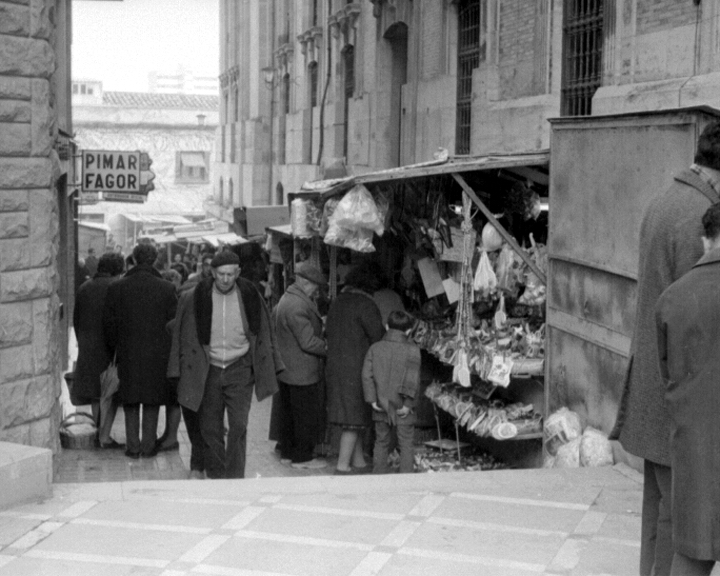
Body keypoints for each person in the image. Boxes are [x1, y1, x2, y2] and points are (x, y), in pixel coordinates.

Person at [610, 121, 720, 576]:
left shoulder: (663, 200)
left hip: (653, 391)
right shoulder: (702, 213)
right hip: (683, 400)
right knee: (683, 531)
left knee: (657, 518)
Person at [167, 250, 283, 479]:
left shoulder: (250, 294)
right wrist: (176, 369)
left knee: (239, 425)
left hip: (239, 367)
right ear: (212, 272)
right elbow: (180, 334)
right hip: (208, 368)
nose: (226, 279)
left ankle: (235, 477)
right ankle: (218, 476)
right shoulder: (194, 296)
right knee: (210, 428)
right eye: (221, 274)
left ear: (238, 272)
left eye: (230, 274)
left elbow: (265, 332)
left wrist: (268, 364)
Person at [655, 203, 720, 576]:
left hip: (693, 444)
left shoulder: (670, 300)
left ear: (704, 240)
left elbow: (666, 375)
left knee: (692, 552)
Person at [103, 243, 178, 459]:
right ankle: (148, 446)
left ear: (134, 259)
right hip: (157, 354)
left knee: (131, 400)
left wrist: (114, 349)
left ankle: (133, 446)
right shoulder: (167, 288)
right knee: (152, 400)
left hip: (127, 352)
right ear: (155, 260)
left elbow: (108, 325)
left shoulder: (117, 288)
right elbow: (173, 325)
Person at [325, 262, 385, 475]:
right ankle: (342, 467)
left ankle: (358, 461)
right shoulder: (366, 305)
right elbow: (377, 336)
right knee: (353, 418)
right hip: (357, 366)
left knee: (354, 416)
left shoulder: (338, 301)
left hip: (335, 365)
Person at [274, 262, 328, 470]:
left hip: (288, 369)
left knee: (290, 415)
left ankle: (288, 453)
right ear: (306, 282)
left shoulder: (288, 298)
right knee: (304, 416)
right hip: (301, 371)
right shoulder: (298, 305)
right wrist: (327, 347)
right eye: (315, 286)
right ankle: (303, 458)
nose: (316, 291)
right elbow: (307, 342)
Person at [72, 252, 125, 449]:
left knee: (96, 393)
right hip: (109, 348)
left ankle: (99, 432)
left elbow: (76, 319)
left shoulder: (84, 287)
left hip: (88, 345)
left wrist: (82, 341)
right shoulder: (116, 287)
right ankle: (104, 436)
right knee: (110, 392)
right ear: (117, 270)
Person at [362, 311, 421, 475]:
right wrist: (409, 404)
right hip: (403, 404)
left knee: (381, 441)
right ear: (409, 331)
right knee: (406, 442)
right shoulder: (413, 350)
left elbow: (367, 375)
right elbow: (413, 380)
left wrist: (372, 399)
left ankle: (379, 475)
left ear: (387, 326)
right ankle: (405, 477)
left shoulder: (375, 348)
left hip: (381, 403)